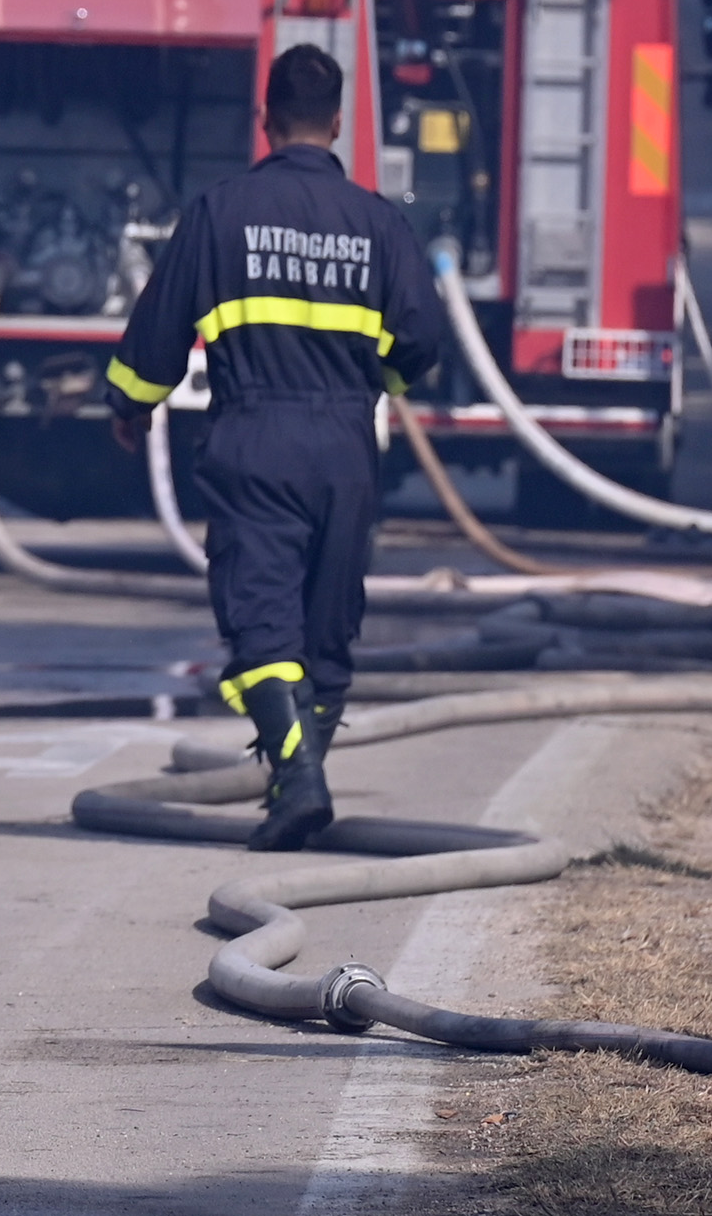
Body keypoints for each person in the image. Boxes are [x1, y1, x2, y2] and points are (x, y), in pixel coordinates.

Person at [100, 42, 441, 853]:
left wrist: (129, 402)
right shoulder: (379, 223)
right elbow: (421, 339)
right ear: (336, 123)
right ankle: (300, 779)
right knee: (327, 626)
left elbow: (158, 328)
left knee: (261, 623)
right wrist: (378, 381)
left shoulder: (221, 212)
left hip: (254, 438)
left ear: (266, 120)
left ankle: (296, 778)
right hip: (345, 445)